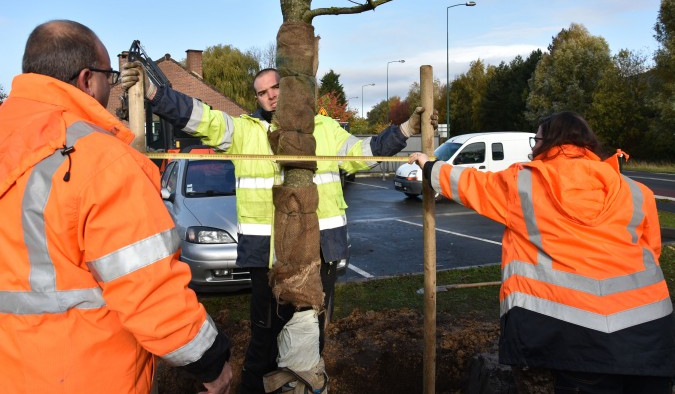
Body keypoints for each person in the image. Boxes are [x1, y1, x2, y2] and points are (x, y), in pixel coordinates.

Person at [120, 63, 437, 393]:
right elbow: (201, 117)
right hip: (267, 258)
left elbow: (364, 153)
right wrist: (155, 93)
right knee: (264, 340)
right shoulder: (245, 132)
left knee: (312, 338)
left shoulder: (324, 129)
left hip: (319, 252)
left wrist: (403, 130)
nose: (270, 96)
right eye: (262, 92)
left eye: (276, 89)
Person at [0, 20, 233, 394]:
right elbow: (149, 290)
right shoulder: (101, 161)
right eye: (109, 75)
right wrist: (210, 361)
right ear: (87, 79)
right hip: (85, 375)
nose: (111, 86)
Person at [409, 111, 675, 394]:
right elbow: (651, 252)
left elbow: (473, 185)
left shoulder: (525, 183)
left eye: (535, 139)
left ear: (548, 141)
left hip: (576, 337)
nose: (532, 147)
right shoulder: (635, 191)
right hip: (650, 333)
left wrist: (430, 167)